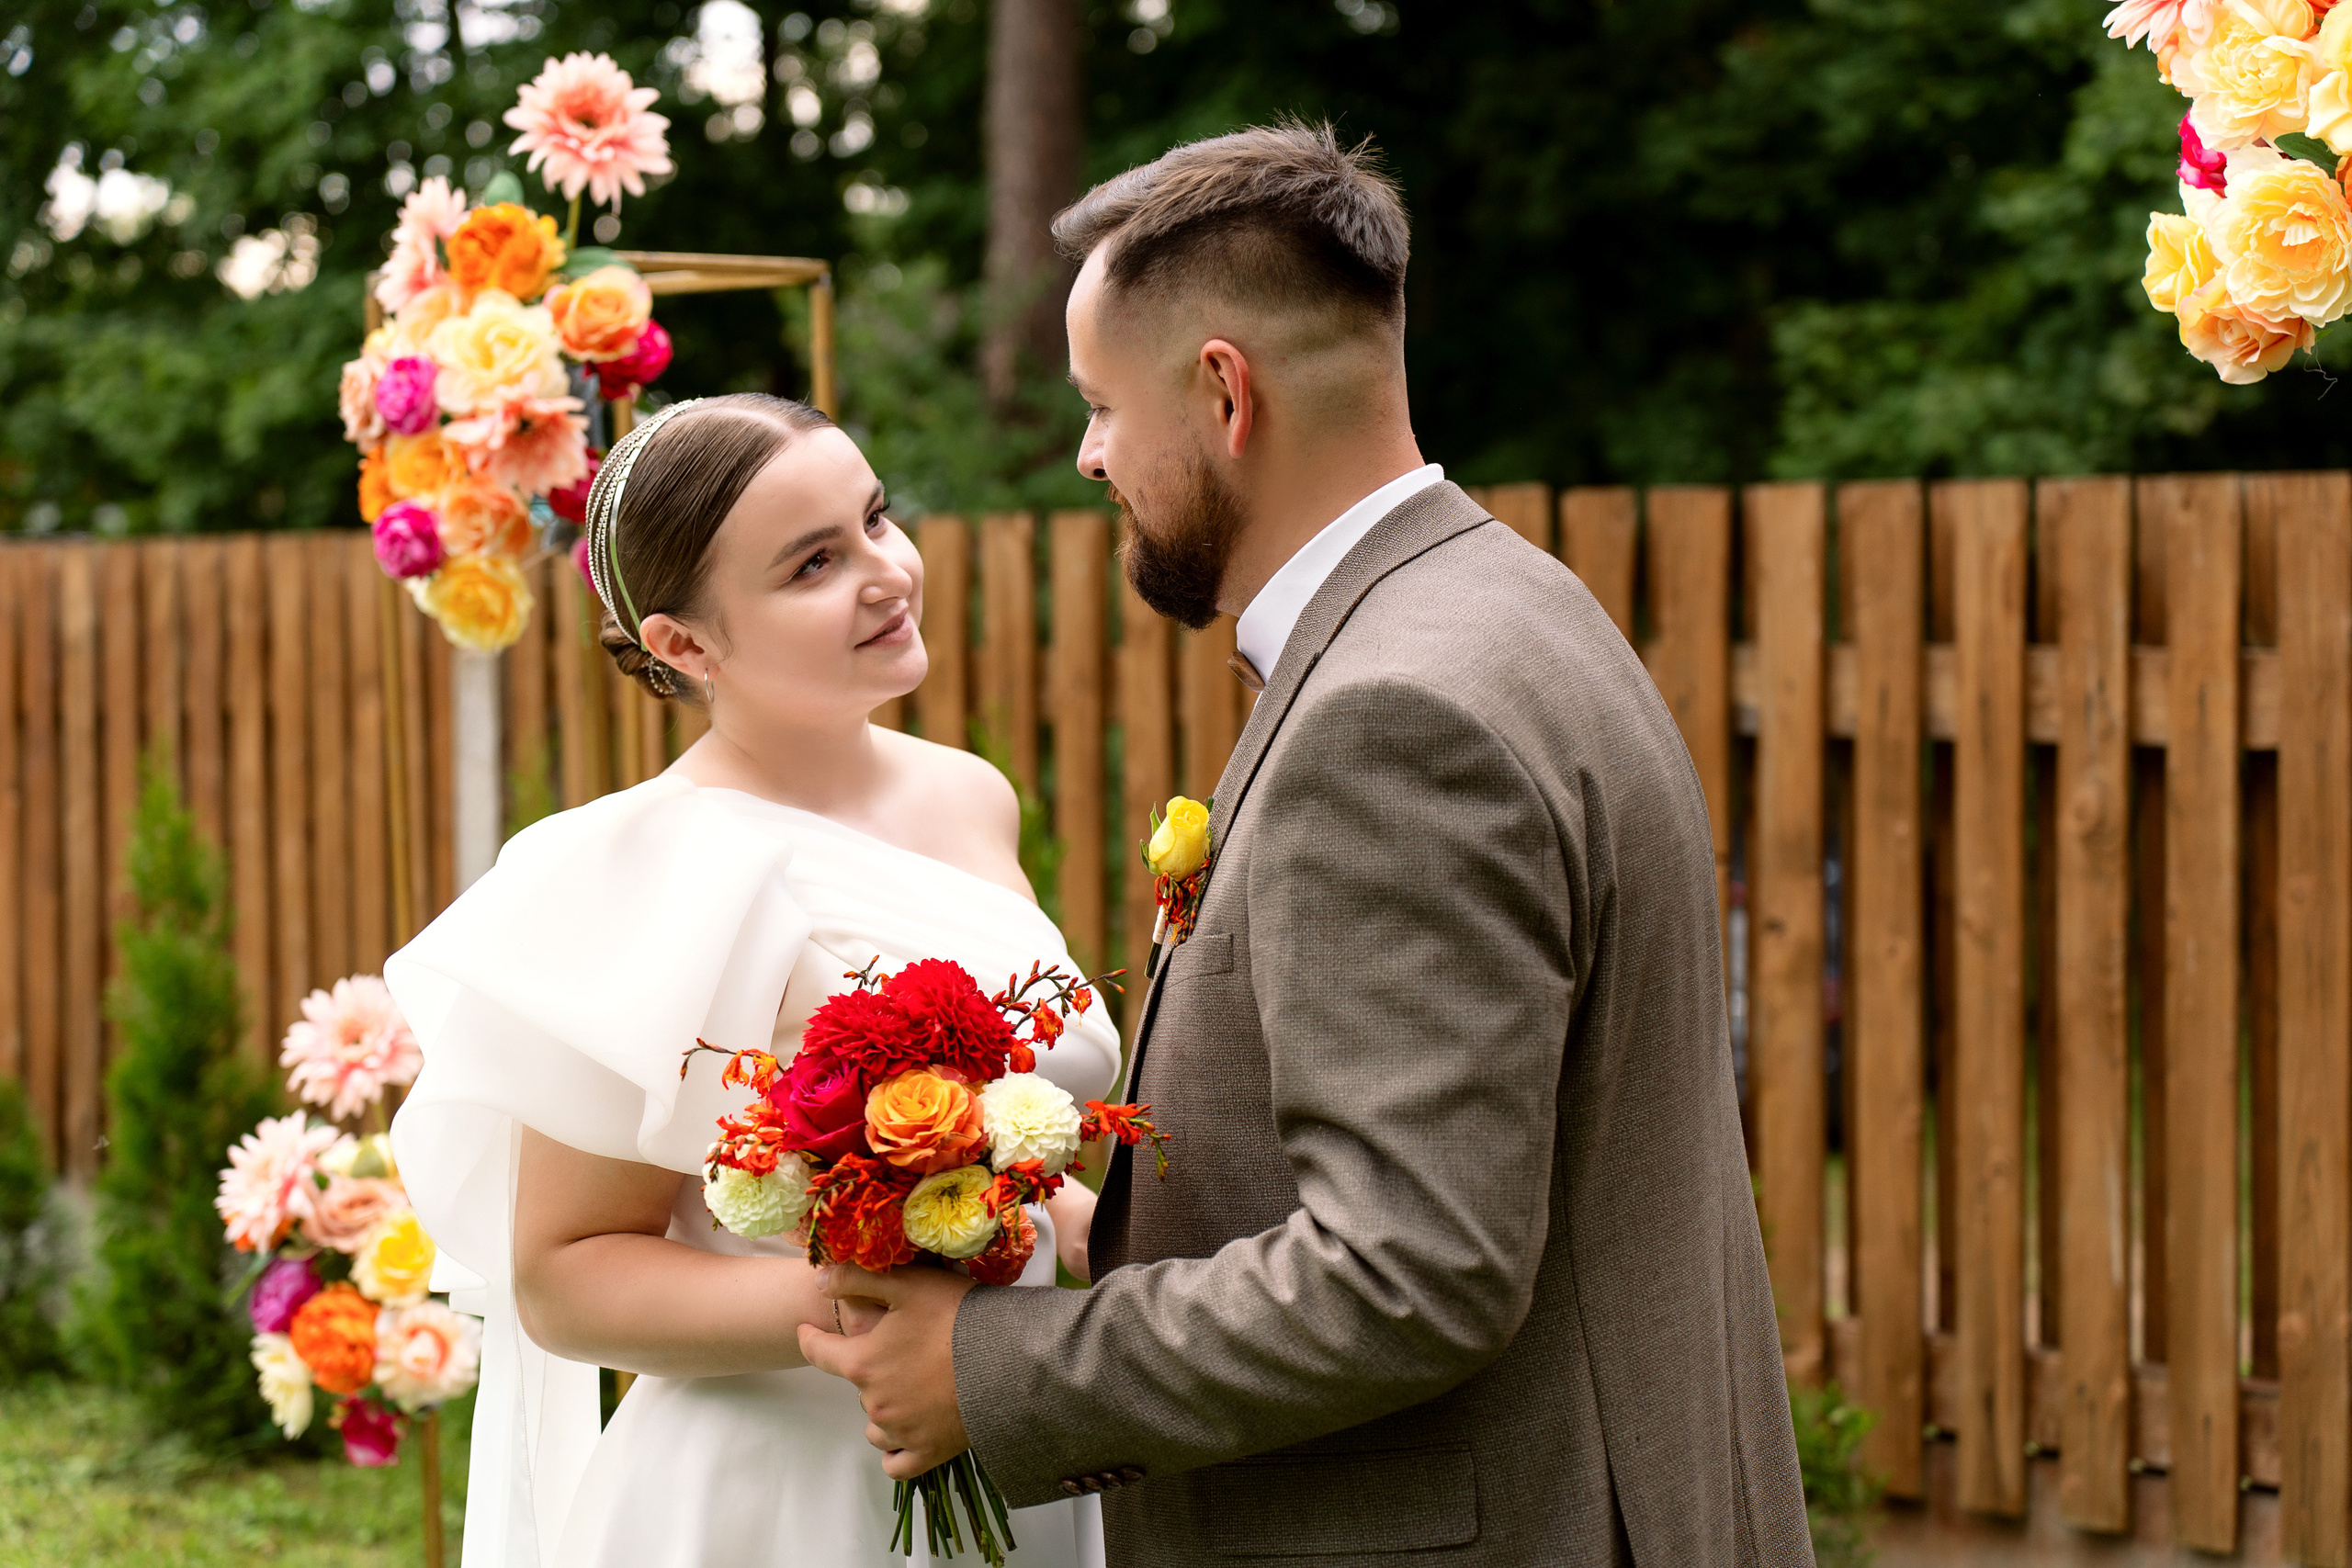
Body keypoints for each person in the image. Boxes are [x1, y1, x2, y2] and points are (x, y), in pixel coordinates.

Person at [798, 124, 1815, 1564]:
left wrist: (993, 1367)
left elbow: (1415, 1268)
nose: (1089, 455)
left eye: (1099, 405)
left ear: (1223, 392)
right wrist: (1130, 1224)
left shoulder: (1391, 717)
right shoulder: (1510, 601)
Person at [385, 393, 1118, 1567]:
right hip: (781, 1493)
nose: (887, 573)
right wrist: (866, 1311)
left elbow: (1011, 1120)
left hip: (1022, 1440)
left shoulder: (971, 795)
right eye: (814, 563)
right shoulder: (639, 869)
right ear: (685, 644)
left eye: (876, 519)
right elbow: (565, 1279)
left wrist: (1071, 1226)